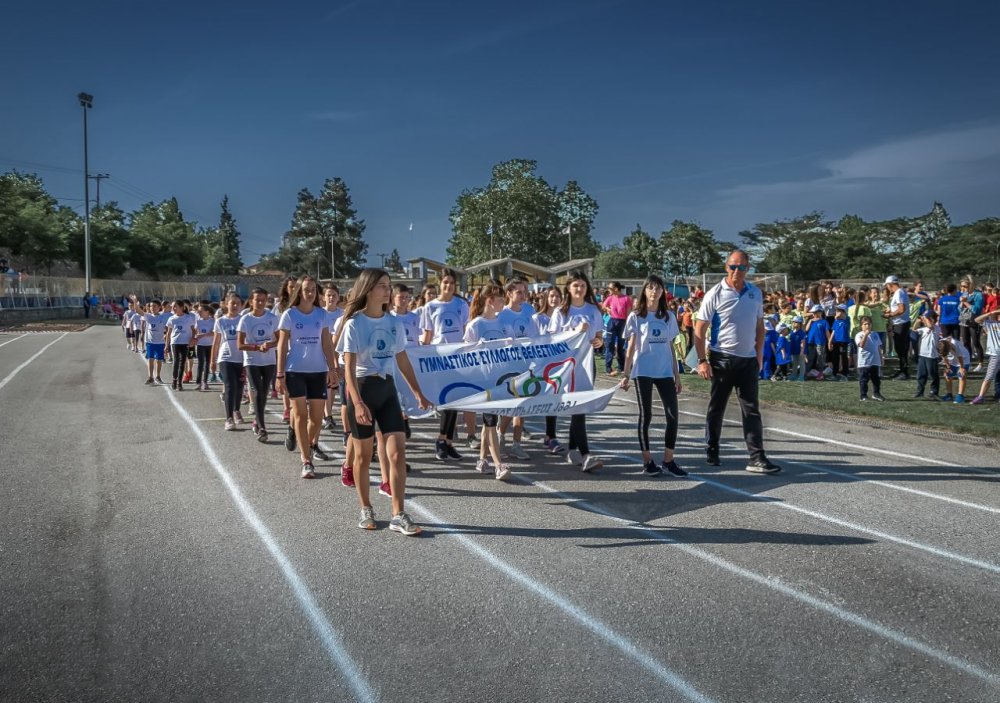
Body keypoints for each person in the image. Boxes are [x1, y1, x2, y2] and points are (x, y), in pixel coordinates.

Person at [337, 268, 430, 535]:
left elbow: (402, 359)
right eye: (382, 286)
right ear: (367, 289)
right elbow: (348, 368)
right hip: (363, 391)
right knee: (363, 457)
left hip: (388, 390)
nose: (387, 291)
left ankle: (398, 514)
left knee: (398, 453)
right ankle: (366, 508)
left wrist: (417, 392)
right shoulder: (355, 324)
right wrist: (357, 403)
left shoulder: (394, 323)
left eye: (389, 286)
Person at [693, 250, 781, 474]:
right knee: (717, 407)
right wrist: (702, 360)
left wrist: (759, 355)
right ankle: (712, 448)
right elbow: (700, 330)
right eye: (733, 266)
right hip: (723, 358)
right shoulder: (715, 293)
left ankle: (757, 456)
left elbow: (760, 326)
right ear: (726, 267)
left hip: (748, 360)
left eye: (741, 267)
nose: (736, 271)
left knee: (752, 410)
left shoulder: (755, 293)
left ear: (748, 269)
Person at [618, 274, 686, 477]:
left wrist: (677, 374)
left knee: (672, 416)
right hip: (643, 371)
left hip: (664, 371)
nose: (654, 291)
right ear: (645, 291)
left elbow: (671, 347)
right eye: (651, 288)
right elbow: (630, 348)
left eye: (658, 288)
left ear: (663, 292)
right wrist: (626, 374)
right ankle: (647, 461)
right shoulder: (636, 316)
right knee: (646, 415)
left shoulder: (668, 316)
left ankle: (668, 460)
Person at [276, 276, 338, 478]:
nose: (310, 293)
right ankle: (306, 459)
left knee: (317, 419)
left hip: (318, 371)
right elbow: (282, 345)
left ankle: (308, 444)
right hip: (295, 371)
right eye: (306, 290)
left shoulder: (322, 314)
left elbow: (327, 344)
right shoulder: (289, 314)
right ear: (299, 292)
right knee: (301, 416)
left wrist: (332, 368)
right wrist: (280, 373)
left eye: (313, 290)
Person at [549, 270, 605, 473]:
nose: (579, 289)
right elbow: (553, 341)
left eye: (582, 285)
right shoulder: (561, 312)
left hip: (587, 365)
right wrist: (575, 332)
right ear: (569, 288)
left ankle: (573, 450)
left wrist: (598, 341)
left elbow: (599, 336)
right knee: (578, 409)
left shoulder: (593, 310)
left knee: (580, 410)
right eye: (575, 286)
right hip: (566, 367)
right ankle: (586, 454)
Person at [464, 282, 515, 480]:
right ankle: (498, 464)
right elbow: (465, 355)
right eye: (501, 299)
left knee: (489, 421)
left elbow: (514, 350)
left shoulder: (504, 323)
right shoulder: (475, 325)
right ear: (490, 301)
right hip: (483, 379)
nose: (504, 303)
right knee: (491, 420)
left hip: (501, 378)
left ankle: (482, 459)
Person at [420, 267, 469, 461]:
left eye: (451, 283)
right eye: (445, 282)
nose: (448, 286)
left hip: (457, 358)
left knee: (455, 400)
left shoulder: (461, 305)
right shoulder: (430, 307)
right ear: (440, 283)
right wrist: (422, 354)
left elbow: (466, 331)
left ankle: (448, 441)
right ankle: (441, 439)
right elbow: (428, 335)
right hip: (438, 358)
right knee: (444, 400)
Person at [496, 277, 535, 460]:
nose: (523, 295)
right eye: (519, 292)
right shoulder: (501, 315)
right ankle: (500, 433)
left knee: (522, 406)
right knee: (510, 406)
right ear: (509, 294)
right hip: (507, 367)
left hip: (525, 365)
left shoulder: (529, 312)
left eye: (525, 291)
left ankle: (517, 444)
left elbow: (536, 338)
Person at [238, 288, 279, 441]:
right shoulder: (245, 319)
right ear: (251, 301)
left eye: (263, 300)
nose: (260, 303)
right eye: (257, 300)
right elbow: (240, 345)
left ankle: (257, 422)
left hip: (269, 361)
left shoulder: (272, 318)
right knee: (256, 391)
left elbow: (279, 339)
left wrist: (270, 344)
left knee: (264, 392)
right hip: (252, 360)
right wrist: (256, 347)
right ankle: (262, 428)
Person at [532, 287, 565, 454]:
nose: (554, 299)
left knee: (553, 401)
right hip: (539, 365)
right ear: (546, 298)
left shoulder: (563, 317)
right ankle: (506, 432)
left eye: (557, 296)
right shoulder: (537, 319)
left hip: (557, 366)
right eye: (551, 296)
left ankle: (550, 436)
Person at [212, 293, 245, 430]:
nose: (235, 305)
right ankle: (229, 418)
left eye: (238, 303)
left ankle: (237, 410)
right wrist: (212, 360)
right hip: (225, 358)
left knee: (239, 387)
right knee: (230, 386)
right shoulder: (220, 321)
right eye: (232, 303)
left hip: (242, 358)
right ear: (227, 304)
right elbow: (216, 342)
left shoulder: (244, 320)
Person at [969, 308, 1000, 404]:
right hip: (995, 354)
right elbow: (977, 320)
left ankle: (981, 396)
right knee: (993, 377)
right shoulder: (990, 323)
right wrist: (991, 312)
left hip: (997, 354)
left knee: (989, 376)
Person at [164, 300, 197, 391]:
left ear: (182, 307)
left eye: (175, 306)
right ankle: (174, 380)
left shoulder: (188, 318)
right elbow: (168, 333)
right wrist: (166, 345)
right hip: (175, 342)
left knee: (183, 362)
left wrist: (193, 339)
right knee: (176, 361)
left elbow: (193, 330)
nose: (173, 308)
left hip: (186, 342)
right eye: (173, 307)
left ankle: (179, 382)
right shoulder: (171, 319)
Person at [883, 276, 911, 380]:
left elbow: (901, 309)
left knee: (901, 349)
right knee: (900, 349)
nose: (887, 287)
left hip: (901, 324)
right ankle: (902, 370)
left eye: (887, 285)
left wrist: (890, 315)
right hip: (900, 323)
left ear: (890, 284)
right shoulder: (900, 292)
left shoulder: (899, 292)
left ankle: (904, 372)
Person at [600, 282, 630, 376]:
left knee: (621, 346)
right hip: (612, 322)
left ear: (616, 289)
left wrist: (627, 325)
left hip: (622, 323)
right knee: (610, 345)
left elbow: (629, 313)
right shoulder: (610, 298)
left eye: (610, 288)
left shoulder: (626, 298)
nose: (609, 290)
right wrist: (607, 309)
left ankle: (621, 367)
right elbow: (603, 306)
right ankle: (608, 369)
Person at [855, 316, 886, 401]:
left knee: (876, 379)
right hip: (864, 362)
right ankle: (863, 395)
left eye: (869, 324)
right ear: (861, 326)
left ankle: (876, 394)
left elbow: (878, 347)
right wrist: (866, 334)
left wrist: (881, 358)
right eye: (865, 324)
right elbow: (861, 345)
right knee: (864, 380)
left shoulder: (875, 334)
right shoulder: (859, 335)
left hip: (875, 361)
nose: (867, 326)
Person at [913, 311, 941, 400]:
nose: (924, 320)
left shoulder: (936, 328)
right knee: (921, 374)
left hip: (932, 355)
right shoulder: (924, 329)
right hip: (922, 354)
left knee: (933, 375)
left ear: (932, 319)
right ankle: (920, 391)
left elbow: (930, 326)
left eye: (927, 318)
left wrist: (925, 318)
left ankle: (934, 391)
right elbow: (914, 329)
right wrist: (918, 321)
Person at [141, 300, 169, 384]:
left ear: (159, 307)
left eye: (154, 306)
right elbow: (138, 311)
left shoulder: (163, 317)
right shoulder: (148, 316)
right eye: (151, 306)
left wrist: (166, 335)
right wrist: (135, 302)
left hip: (160, 342)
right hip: (150, 342)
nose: (152, 308)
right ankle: (150, 377)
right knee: (150, 359)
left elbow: (168, 328)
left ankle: (158, 376)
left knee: (159, 360)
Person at [939, 335, 970, 403]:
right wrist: (948, 367)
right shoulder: (940, 344)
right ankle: (949, 395)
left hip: (964, 359)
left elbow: (960, 357)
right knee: (947, 374)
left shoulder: (954, 343)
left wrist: (961, 368)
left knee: (961, 375)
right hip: (952, 360)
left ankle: (960, 396)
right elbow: (944, 356)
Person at [193, 303, 216, 391]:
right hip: (200, 345)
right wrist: (195, 337)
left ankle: (205, 382)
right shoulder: (198, 321)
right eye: (198, 311)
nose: (199, 313)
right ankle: (198, 383)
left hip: (210, 345)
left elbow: (214, 333)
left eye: (201, 311)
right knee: (200, 364)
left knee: (207, 364)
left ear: (207, 312)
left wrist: (204, 335)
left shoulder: (213, 321)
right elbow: (196, 332)